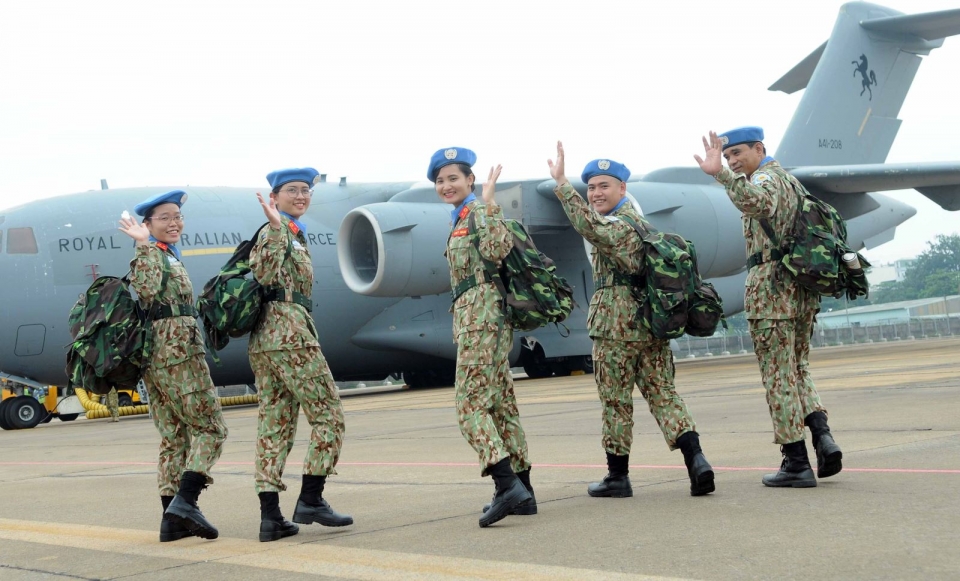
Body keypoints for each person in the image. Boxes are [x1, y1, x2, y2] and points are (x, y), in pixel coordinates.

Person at [547, 141, 715, 498]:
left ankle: (617, 476)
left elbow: (590, 227)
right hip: (650, 325)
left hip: (616, 327)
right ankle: (696, 460)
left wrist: (562, 185)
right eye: (590, 187)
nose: (595, 193)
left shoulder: (621, 227)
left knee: (616, 401)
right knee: (663, 395)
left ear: (623, 189)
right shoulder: (644, 227)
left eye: (603, 186)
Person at [694, 127, 843, 487]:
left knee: (777, 375)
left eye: (738, 153)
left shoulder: (764, 179)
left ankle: (796, 462)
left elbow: (757, 203)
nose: (732, 160)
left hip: (773, 289)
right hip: (800, 287)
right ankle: (822, 438)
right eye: (728, 156)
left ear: (760, 148)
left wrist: (723, 176)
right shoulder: (790, 180)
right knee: (797, 369)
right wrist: (730, 174)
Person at [429, 147, 533, 528]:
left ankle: (506, 486)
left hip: (482, 320)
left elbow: (496, 251)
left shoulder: (477, 213)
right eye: (440, 181)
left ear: (470, 180)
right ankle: (524, 489)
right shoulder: (460, 218)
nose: (446, 185)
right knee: (501, 405)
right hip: (479, 319)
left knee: (469, 407)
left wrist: (490, 205)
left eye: (454, 178)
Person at [118, 190, 228, 541]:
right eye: (164, 217)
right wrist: (143, 244)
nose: (174, 222)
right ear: (147, 224)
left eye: (177, 216)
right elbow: (148, 290)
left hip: (162, 356)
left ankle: (171, 521)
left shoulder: (168, 255)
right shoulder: (151, 253)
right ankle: (186, 500)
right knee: (212, 428)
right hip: (177, 356)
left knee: (174, 437)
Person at [251, 167, 352, 542]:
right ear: (274, 197)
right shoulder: (275, 232)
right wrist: (276, 228)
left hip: (271, 339)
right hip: (289, 335)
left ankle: (271, 517)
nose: (301, 196)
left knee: (274, 427)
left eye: (306, 190)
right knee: (330, 417)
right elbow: (262, 273)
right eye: (292, 190)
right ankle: (311, 497)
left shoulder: (292, 233)